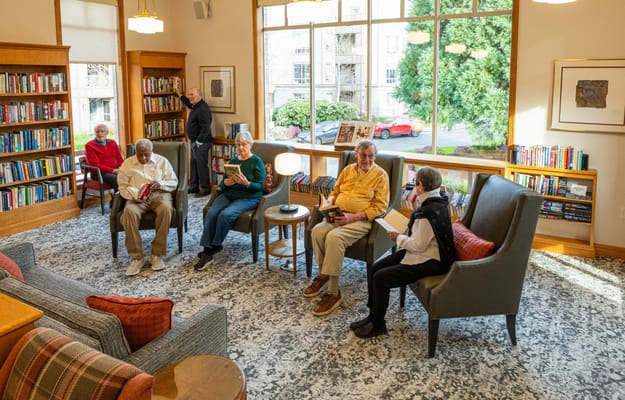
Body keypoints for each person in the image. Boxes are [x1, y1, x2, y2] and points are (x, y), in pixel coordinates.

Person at [350, 166, 457, 338]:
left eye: (416, 185)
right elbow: (421, 237)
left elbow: (418, 246)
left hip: (431, 260)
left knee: (381, 277)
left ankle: (378, 324)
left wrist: (397, 237)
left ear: (421, 186)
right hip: (424, 251)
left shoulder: (428, 213)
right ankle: (372, 316)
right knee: (376, 268)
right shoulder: (437, 201)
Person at [305, 140, 390, 316]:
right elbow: (335, 192)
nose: (367, 159)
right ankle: (324, 274)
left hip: (361, 220)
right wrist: (329, 204)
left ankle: (334, 292)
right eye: (364, 155)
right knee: (317, 231)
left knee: (334, 238)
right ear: (356, 154)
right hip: (338, 213)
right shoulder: (347, 170)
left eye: (371, 156)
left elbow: (380, 207)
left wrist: (353, 217)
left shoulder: (380, 175)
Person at [194, 131, 266, 271]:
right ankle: (207, 247)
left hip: (249, 196)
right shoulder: (233, 162)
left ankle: (214, 246)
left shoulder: (257, 161)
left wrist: (247, 184)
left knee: (225, 215)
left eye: (244, 144)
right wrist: (225, 183)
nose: (240, 148)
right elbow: (222, 185)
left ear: (251, 145)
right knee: (212, 212)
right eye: (238, 145)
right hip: (229, 193)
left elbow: (260, 186)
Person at [117, 139, 178, 276]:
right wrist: (132, 196)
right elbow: (122, 187)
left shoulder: (162, 162)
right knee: (128, 213)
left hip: (159, 194)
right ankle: (136, 257)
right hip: (136, 197)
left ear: (152, 152)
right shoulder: (127, 164)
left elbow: (174, 182)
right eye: (140, 155)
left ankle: (157, 254)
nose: (143, 158)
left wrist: (161, 184)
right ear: (135, 152)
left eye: (147, 155)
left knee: (166, 210)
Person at [178, 87, 213, 197]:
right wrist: (180, 96)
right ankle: (193, 187)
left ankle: (205, 188)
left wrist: (199, 141)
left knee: (201, 165)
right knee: (193, 164)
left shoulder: (203, 109)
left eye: (192, 94)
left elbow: (206, 127)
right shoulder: (195, 105)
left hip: (201, 142)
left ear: (199, 95)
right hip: (194, 141)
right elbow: (189, 103)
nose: (189, 96)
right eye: (189, 94)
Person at [84, 123, 124, 192]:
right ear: (94, 133)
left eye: (102, 131)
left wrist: (122, 168)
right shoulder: (89, 145)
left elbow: (119, 159)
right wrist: (113, 170)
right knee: (118, 179)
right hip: (98, 173)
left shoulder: (113, 142)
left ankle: (128, 200)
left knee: (131, 175)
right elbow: (95, 165)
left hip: (115, 170)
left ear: (107, 132)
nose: (100, 134)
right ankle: (118, 202)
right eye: (97, 131)